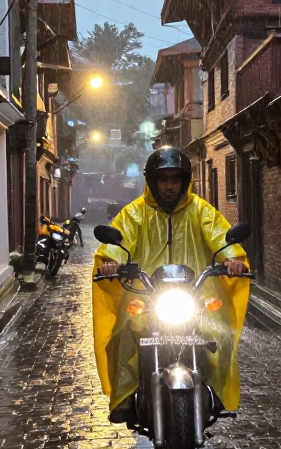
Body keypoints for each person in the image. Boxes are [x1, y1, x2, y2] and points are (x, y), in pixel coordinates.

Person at [91, 147, 250, 424]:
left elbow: (221, 238)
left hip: (195, 294)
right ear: (152, 181)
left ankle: (216, 391)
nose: (169, 186)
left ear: (184, 181)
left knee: (221, 333)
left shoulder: (201, 211)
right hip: (146, 294)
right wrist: (111, 261)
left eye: (175, 179)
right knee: (123, 331)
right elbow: (118, 243)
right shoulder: (134, 214)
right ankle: (126, 396)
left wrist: (233, 259)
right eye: (163, 180)